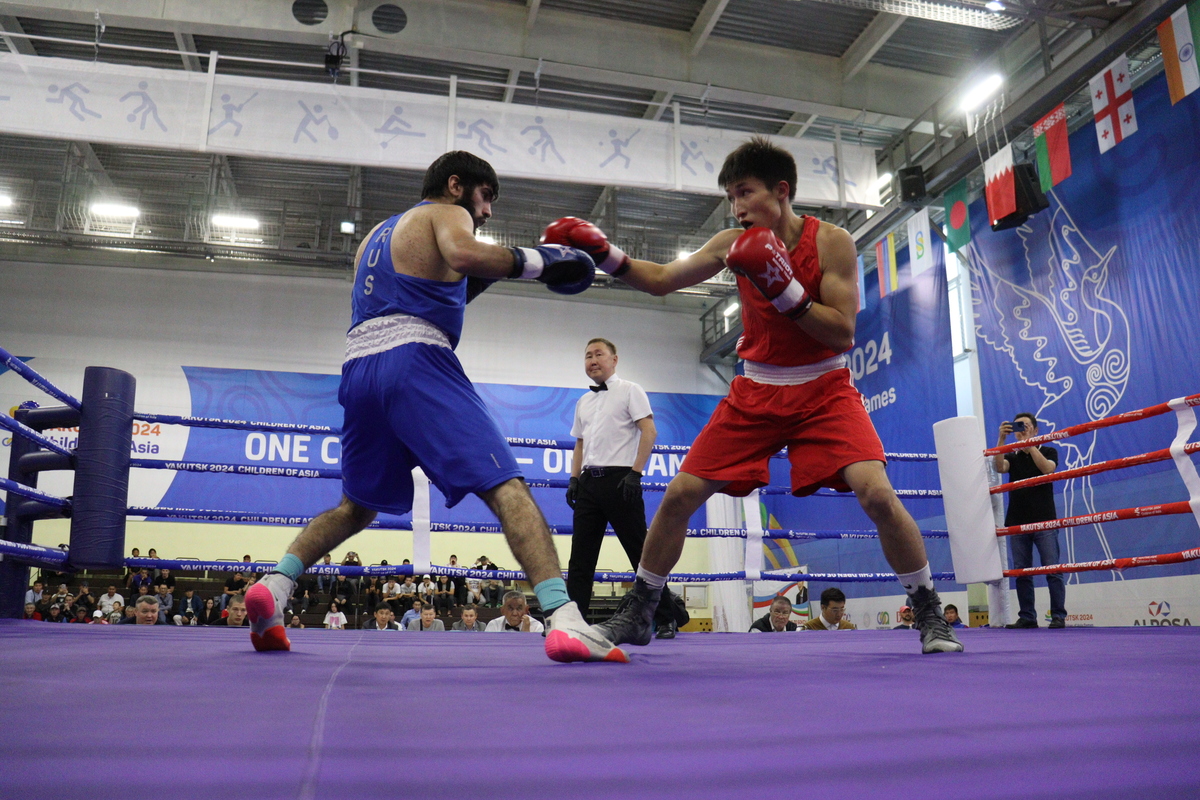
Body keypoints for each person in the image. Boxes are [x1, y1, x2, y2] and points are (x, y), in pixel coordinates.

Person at [543, 138, 960, 654]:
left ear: (781, 192)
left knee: (876, 493)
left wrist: (785, 291)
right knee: (677, 497)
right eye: (730, 197)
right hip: (756, 390)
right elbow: (662, 280)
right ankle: (642, 610)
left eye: (745, 193)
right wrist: (604, 252)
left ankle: (928, 611)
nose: (737, 207)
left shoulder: (831, 242)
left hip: (824, 387)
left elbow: (841, 333)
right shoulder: (729, 241)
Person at [243, 150, 621, 663]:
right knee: (507, 487)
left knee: (355, 506)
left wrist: (495, 273)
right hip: (416, 361)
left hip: (358, 368)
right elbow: (465, 255)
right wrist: (542, 261)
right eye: (486, 199)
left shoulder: (377, 236)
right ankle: (566, 619)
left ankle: (276, 585)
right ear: (456, 185)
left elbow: (439, 290)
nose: (486, 212)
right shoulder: (447, 212)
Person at [565, 337, 687, 638]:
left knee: (641, 553)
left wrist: (636, 473)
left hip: (621, 480)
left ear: (614, 360)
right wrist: (574, 478)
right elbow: (580, 443)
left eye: (599, 354)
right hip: (589, 483)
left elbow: (649, 430)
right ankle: (573, 621)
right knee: (580, 556)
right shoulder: (583, 401)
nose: (593, 360)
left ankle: (665, 618)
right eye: (588, 355)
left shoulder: (631, 390)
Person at [994, 413, 1065, 629]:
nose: (1021, 430)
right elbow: (999, 467)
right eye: (1018, 427)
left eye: (1025, 426)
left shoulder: (1049, 450)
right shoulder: (1013, 457)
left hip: (1044, 521)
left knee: (1052, 569)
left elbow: (1047, 469)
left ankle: (1058, 616)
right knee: (1022, 571)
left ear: (1035, 429)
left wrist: (1030, 444)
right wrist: (1001, 440)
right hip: (1017, 522)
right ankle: (1027, 616)